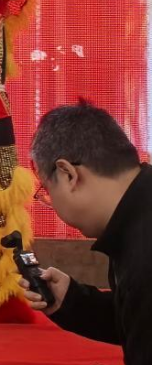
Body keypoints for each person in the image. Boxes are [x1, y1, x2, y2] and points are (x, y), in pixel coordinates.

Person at [22, 101, 151, 364]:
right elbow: (136, 319)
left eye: (46, 191)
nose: (51, 203)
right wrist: (71, 300)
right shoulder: (136, 216)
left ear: (68, 175)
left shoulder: (144, 253)